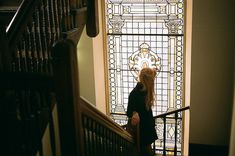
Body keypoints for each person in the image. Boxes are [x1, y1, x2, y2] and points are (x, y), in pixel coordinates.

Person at [127, 67, 158, 156]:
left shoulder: (144, 90)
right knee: (146, 152)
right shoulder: (135, 93)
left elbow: (150, 76)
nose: (153, 83)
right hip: (141, 131)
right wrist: (134, 113)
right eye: (152, 80)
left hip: (146, 129)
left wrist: (153, 72)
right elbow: (129, 111)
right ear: (148, 81)